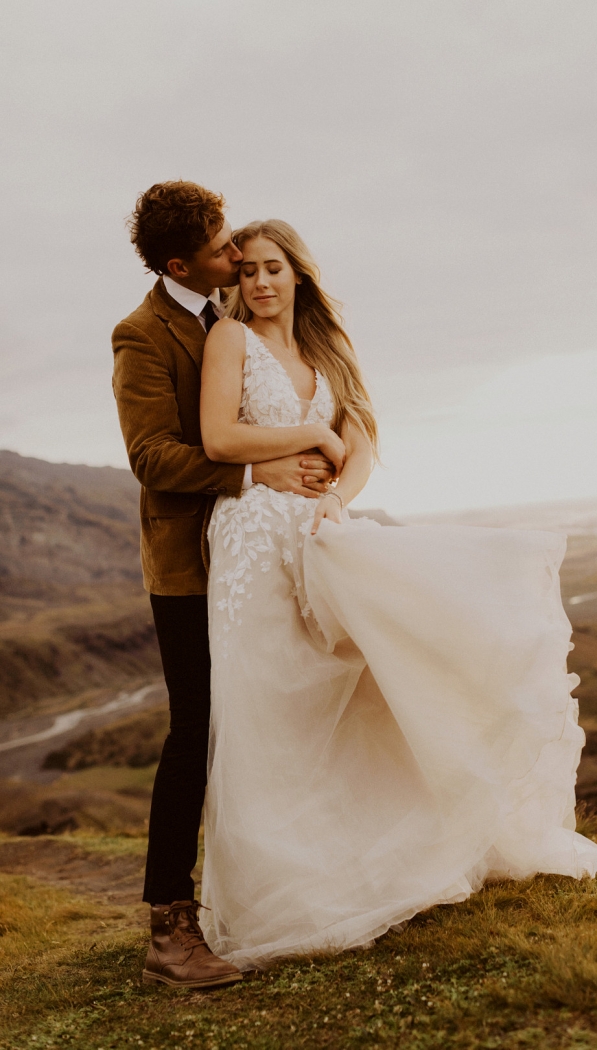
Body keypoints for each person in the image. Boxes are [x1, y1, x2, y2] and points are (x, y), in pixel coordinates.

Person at [198, 219, 597, 972]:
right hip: (253, 539)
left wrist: (337, 496)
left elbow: (360, 437)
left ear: (298, 273)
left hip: (322, 531)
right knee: (272, 707)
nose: (259, 284)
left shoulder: (329, 348)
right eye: (248, 272)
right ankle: (282, 899)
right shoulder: (230, 340)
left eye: (273, 269)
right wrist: (311, 443)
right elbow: (219, 440)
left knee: (361, 693)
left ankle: (370, 863)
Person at [112, 183, 334, 988]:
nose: (238, 258)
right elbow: (153, 458)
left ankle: (286, 887)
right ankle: (170, 928)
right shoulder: (142, 334)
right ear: (182, 264)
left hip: (261, 553)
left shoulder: (231, 317)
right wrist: (255, 468)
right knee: (195, 732)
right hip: (186, 568)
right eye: (220, 250)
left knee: (273, 716)